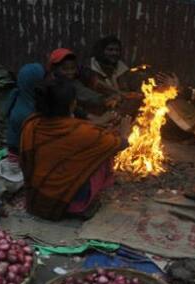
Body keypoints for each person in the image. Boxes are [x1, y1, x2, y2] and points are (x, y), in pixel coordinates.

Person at [19, 78, 132, 220]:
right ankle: (79, 206)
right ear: (72, 105)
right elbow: (119, 144)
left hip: (38, 197)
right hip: (64, 201)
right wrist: (124, 132)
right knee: (103, 155)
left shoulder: (31, 124)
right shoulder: (82, 132)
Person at [0, 63, 45, 182]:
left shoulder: (17, 94)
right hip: (23, 151)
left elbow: (3, 112)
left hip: (13, 145)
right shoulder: (30, 110)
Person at [46, 48, 120, 114]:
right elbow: (86, 96)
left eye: (72, 68)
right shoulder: (56, 85)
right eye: (65, 69)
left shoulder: (76, 77)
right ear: (54, 68)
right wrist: (105, 101)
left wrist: (116, 94)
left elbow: (95, 83)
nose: (70, 72)